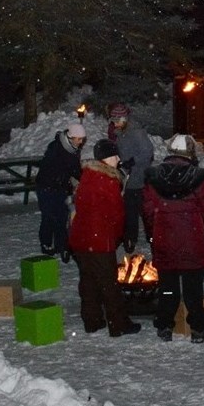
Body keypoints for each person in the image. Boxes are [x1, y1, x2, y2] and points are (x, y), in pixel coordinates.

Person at [143, 134, 204, 343]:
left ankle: (165, 325)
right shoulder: (198, 179)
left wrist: (152, 236)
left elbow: (148, 211)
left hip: (165, 238)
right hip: (192, 240)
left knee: (168, 288)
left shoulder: (155, 179)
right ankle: (198, 327)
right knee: (193, 288)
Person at [69, 140, 141, 336]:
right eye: (114, 155)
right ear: (105, 158)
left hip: (81, 239)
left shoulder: (88, 176)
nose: (118, 159)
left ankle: (92, 320)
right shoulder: (108, 181)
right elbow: (116, 214)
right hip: (99, 240)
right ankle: (118, 324)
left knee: (88, 281)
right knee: (110, 284)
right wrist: (119, 236)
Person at [107, 102, 153, 253]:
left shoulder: (136, 132)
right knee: (129, 210)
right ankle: (129, 238)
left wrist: (133, 162)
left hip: (139, 176)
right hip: (128, 176)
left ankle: (150, 236)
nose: (114, 124)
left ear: (123, 119)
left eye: (116, 121)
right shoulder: (121, 133)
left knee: (142, 210)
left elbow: (147, 153)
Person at [35, 122, 86, 261]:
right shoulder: (56, 148)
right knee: (49, 216)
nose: (81, 142)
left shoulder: (73, 149)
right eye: (78, 139)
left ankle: (61, 244)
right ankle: (46, 243)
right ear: (70, 137)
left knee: (62, 216)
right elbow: (62, 168)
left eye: (82, 139)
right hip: (46, 187)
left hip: (60, 187)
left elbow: (75, 169)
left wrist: (83, 178)